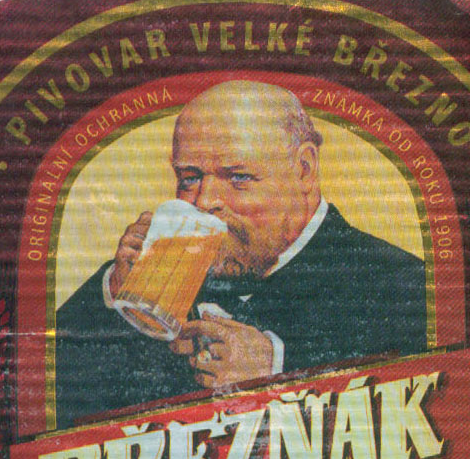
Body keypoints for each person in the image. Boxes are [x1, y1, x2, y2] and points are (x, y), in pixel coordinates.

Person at [55, 81, 426, 429]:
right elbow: (48, 397)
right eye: (189, 178)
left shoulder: (406, 286)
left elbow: (418, 417)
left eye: (239, 177)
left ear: (304, 170)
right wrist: (115, 290)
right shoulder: (162, 274)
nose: (204, 202)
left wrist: (281, 370)